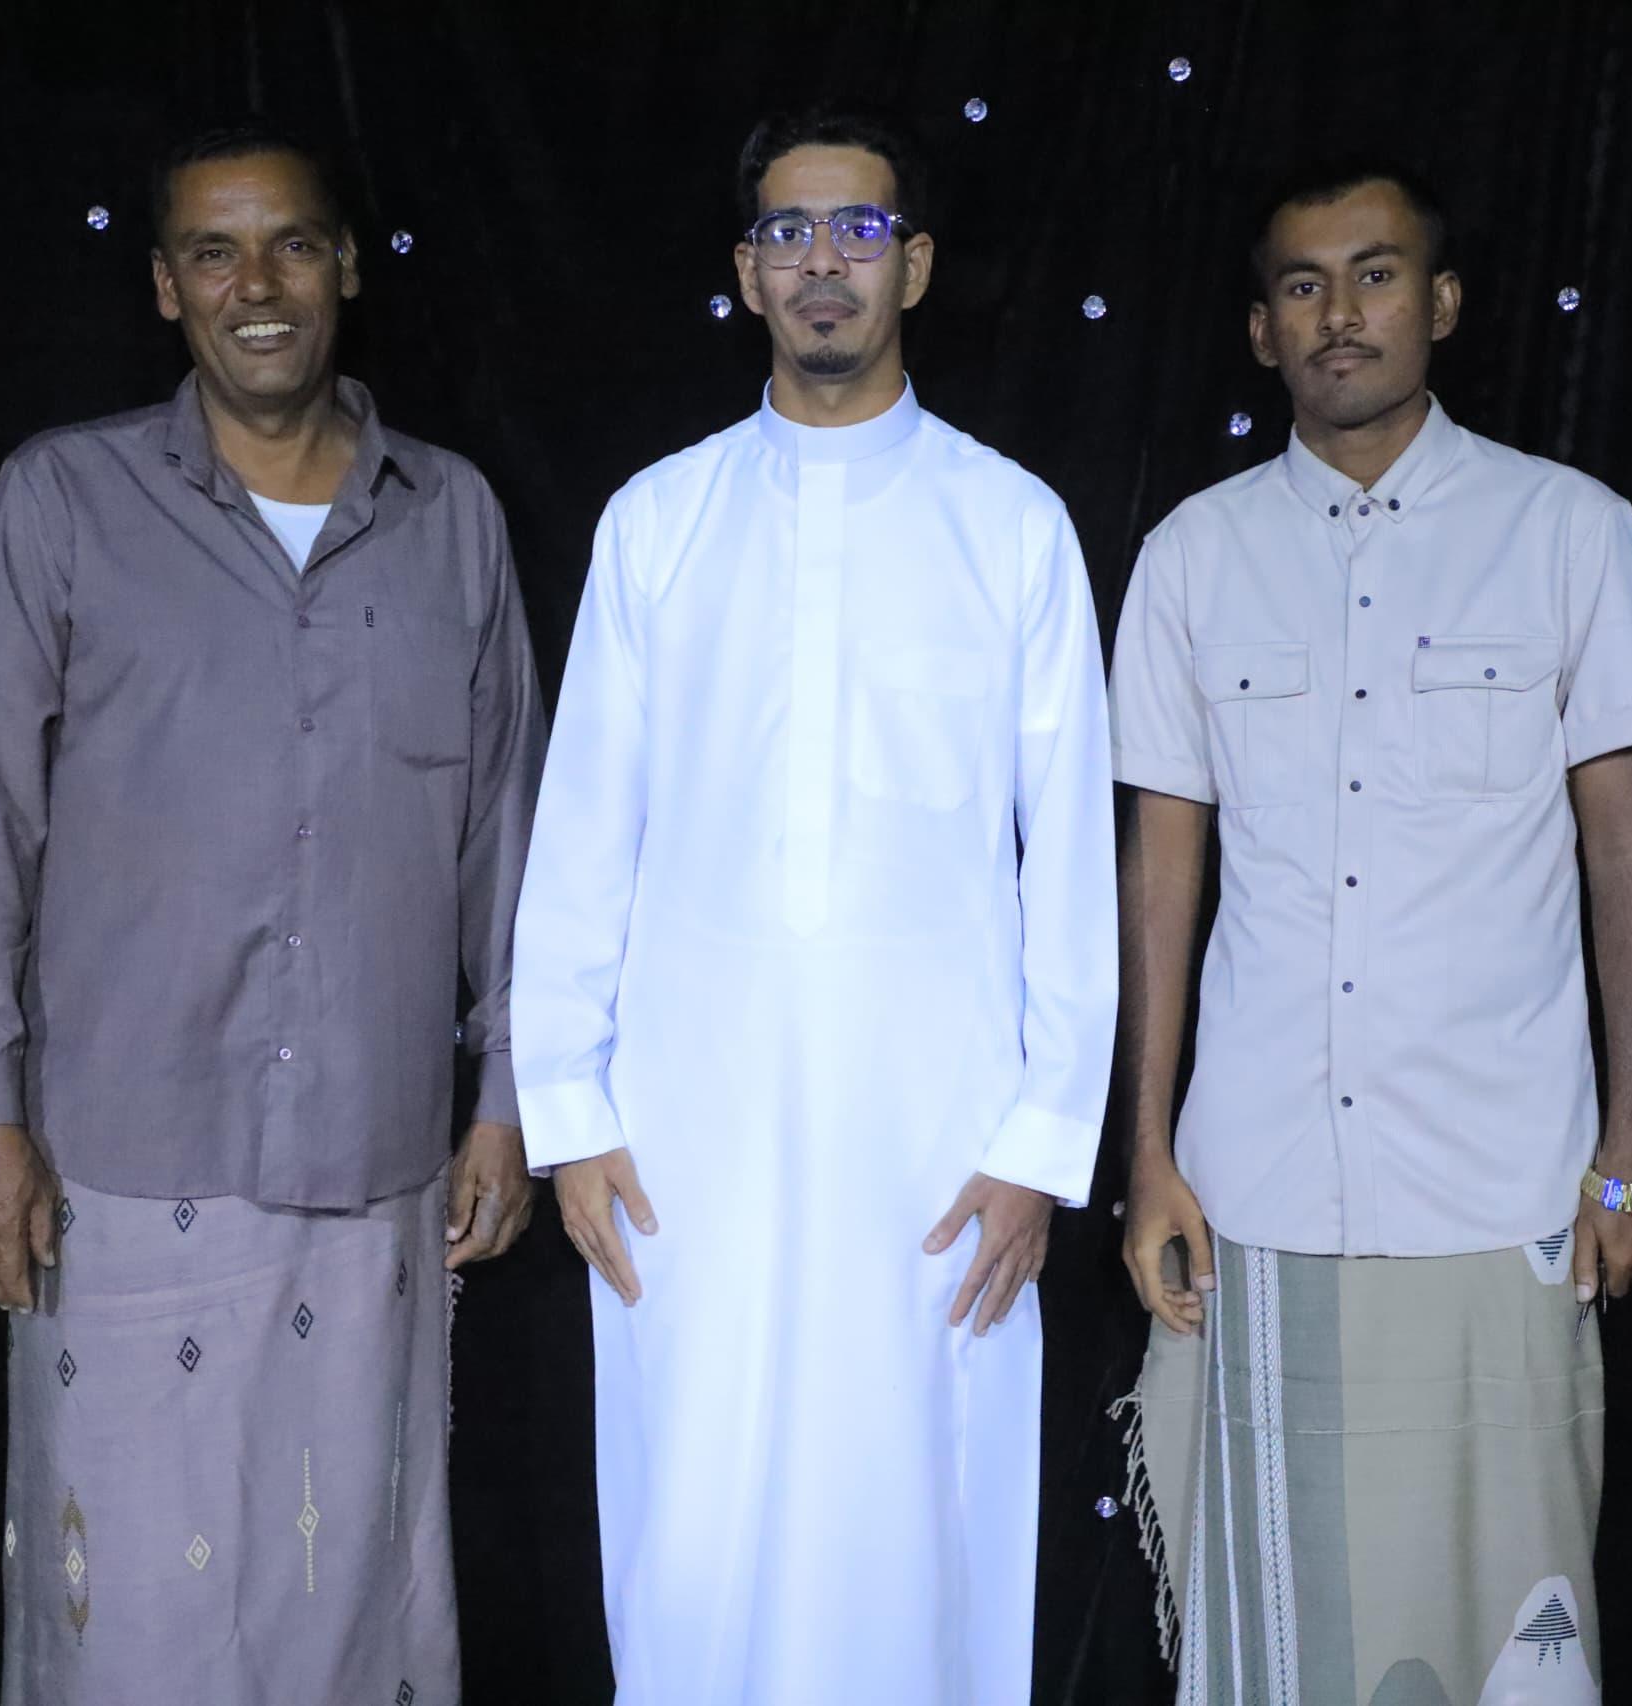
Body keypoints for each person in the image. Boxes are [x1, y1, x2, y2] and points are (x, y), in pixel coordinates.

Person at [0, 120, 545, 1706]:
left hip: (380, 1175)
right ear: (165, 286)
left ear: (345, 269)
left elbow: (510, 841)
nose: (257, 284)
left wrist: (511, 1093)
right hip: (115, 1175)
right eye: (214, 252)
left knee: (345, 1603)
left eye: (292, 244)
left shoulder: (451, 515)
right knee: (133, 1624)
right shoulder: (65, 498)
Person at [511, 105, 1117, 1706]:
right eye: (790, 232)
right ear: (746, 272)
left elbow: (1069, 859)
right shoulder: (659, 521)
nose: (824, 262)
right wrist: (569, 1110)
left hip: (941, 1144)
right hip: (683, 1140)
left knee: (917, 1529)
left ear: (913, 265)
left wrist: (1043, 1143)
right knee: (695, 1525)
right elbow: (584, 834)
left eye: (859, 229)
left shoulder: (1013, 526)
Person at [1111, 161, 1632, 1704]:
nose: (1339, 313)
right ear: (1261, 329)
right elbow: (1160, 879)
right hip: (1257, 1192)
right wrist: (1149, 1155)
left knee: (1509, 1623)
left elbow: (1628, 856)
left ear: (1439, 303)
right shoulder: (1192, 555)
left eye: (1374, 276)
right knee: (1273, 1635)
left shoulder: (1568, 530)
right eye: (1302, 285)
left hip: (1504, 1182)